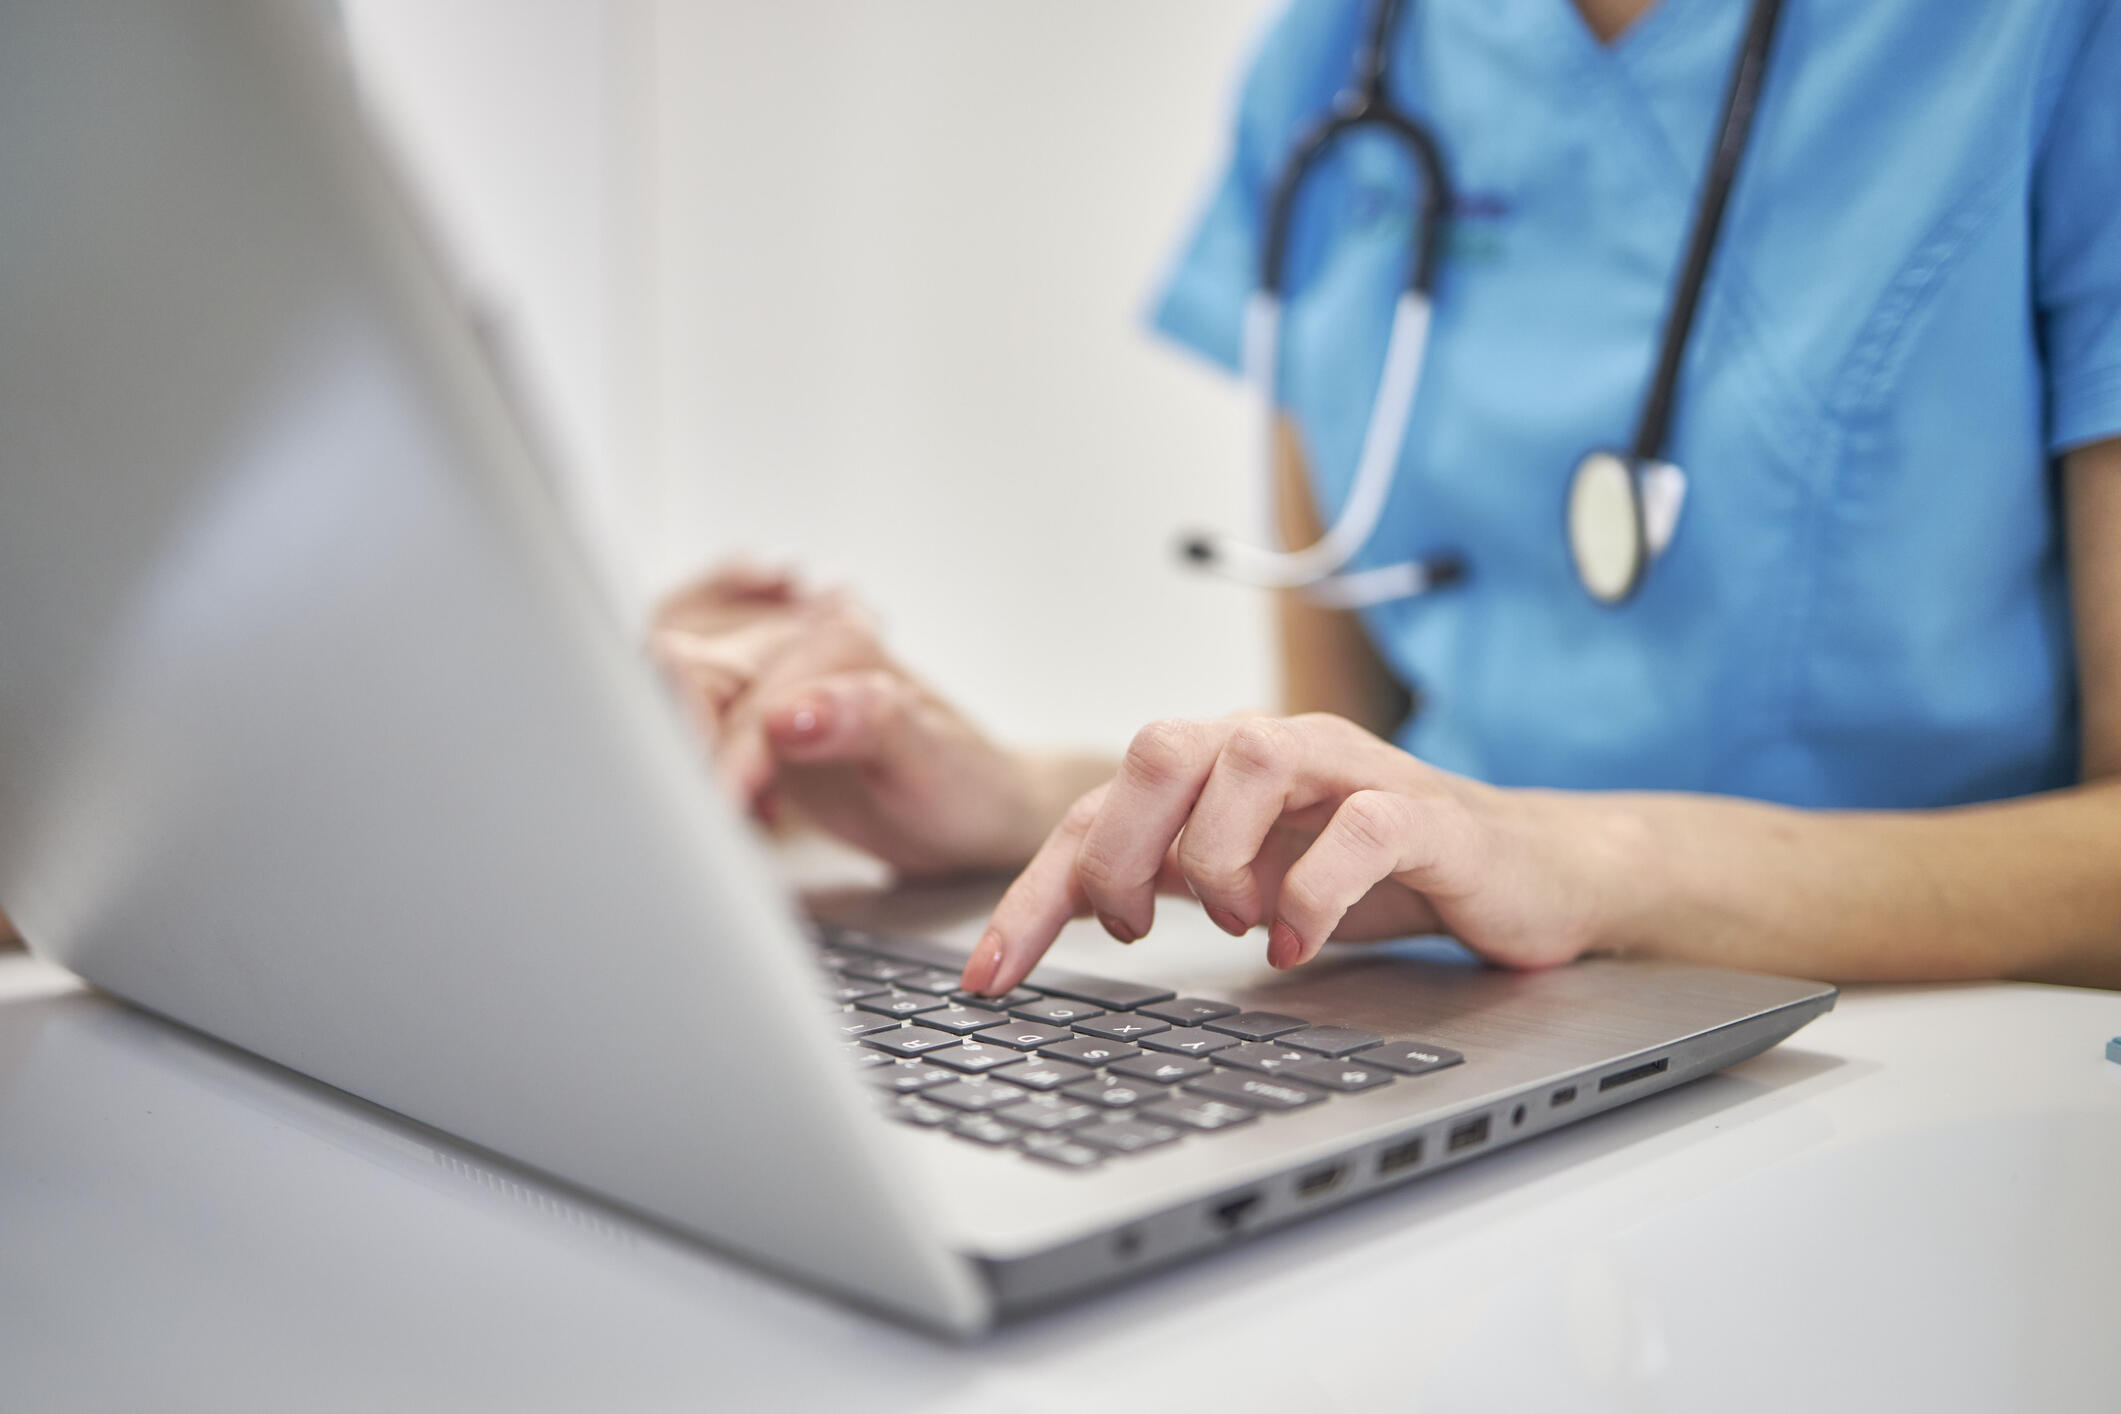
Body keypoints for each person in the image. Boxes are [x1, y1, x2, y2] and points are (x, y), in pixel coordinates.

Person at [653, 0, 2121, 998]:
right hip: (1460, 1040)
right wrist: (1028, 802)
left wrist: (1590, 864)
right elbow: (1364, 772)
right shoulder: (1345, 51)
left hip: (1925, 1065)